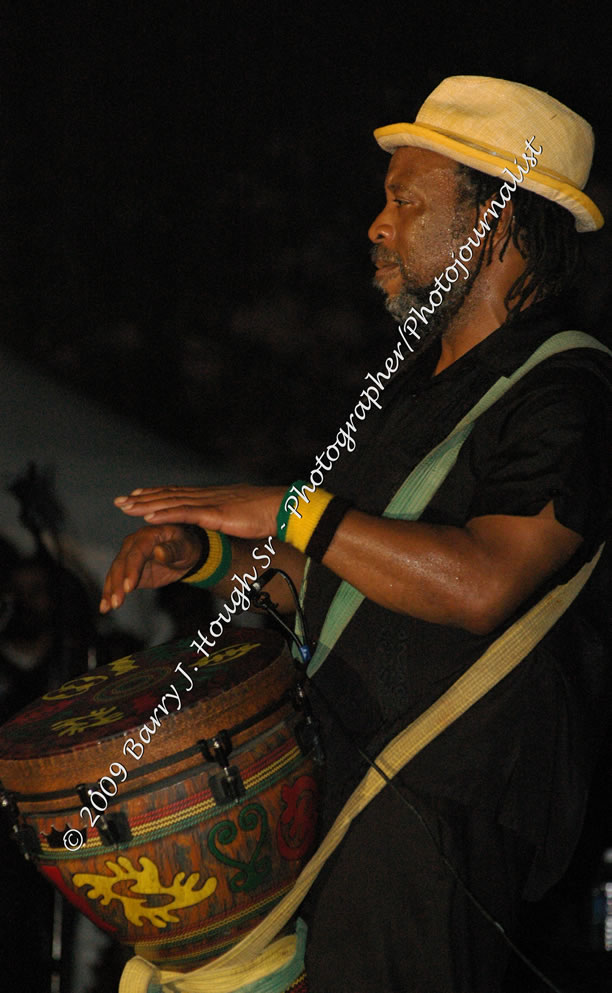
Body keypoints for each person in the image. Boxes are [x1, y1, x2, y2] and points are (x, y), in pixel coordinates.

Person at [100, 76, 612, 992]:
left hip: (441, 808)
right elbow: (339, 581)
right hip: (342, 783)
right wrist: (209, 554)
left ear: (493, 224)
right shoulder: (413, 393)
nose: (378, 225)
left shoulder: (567, 393)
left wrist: (290, 507)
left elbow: (480, 583)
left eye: (406, 201)